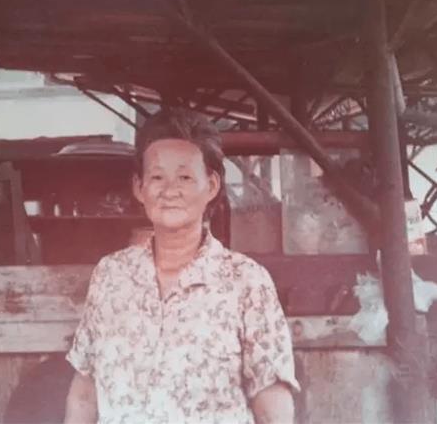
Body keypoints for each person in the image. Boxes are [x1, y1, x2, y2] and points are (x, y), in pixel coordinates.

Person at [64, 108, 300, 424]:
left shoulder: (246, 281)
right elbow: (84, 392)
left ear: (211, 186)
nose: (169, 190)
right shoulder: (110, 276)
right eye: (157, 177)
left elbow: (272, 405)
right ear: (139, 187)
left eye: (185, 177)